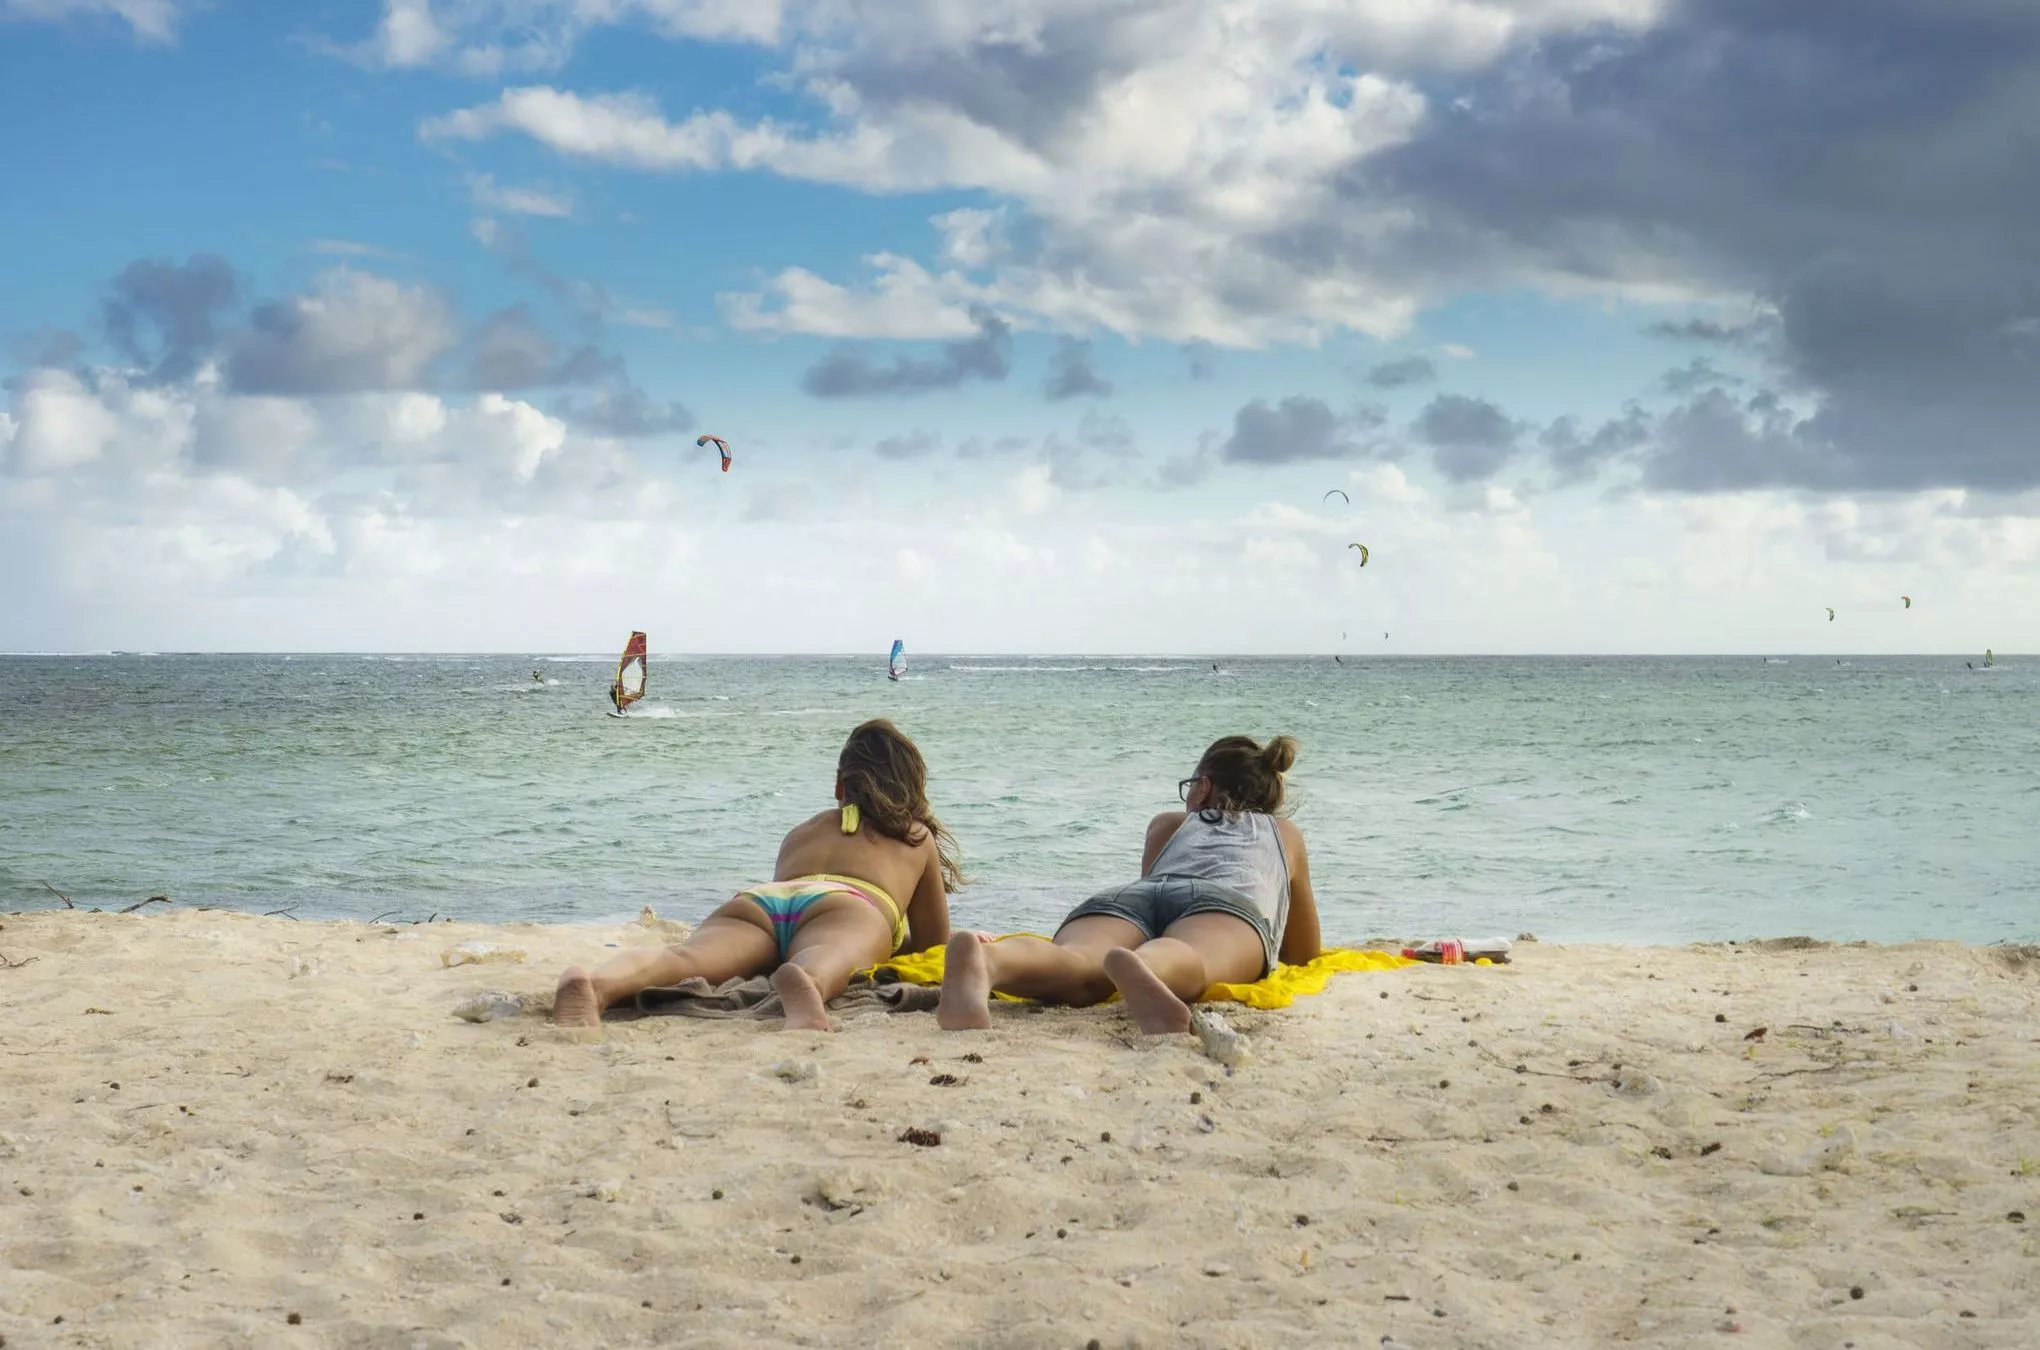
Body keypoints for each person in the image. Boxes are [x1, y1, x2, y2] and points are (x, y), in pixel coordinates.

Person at [553, 719, 964, 1030]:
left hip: (762, 902)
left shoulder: (801, 831)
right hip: (851, 905)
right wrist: (883, 937)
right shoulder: (915, 836)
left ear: (840, 788)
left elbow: (796, 912)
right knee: (831, 953)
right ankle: (809, 979)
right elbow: (932, 945)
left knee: (684, 958)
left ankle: (596, 984)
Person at [939, 734, 1319, 1035]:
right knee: (1192, 953)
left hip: (1130, 899)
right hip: (1223, 903)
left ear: (1202, 788)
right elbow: (1302, 951)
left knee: (1081, 961)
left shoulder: (1168, 823)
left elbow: (1152, 900)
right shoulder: (1285, 833)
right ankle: (1148, 965)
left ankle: (989, 961)